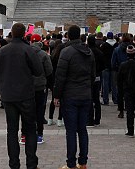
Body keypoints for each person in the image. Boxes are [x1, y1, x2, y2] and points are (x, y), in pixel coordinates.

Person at [0, 23, 42, 169]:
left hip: (9, 96)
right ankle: (31, 163)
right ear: (23, 34)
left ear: (12, 34)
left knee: (12, 131)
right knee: (30, 130)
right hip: (26, 94)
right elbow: (38, 71)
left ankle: (14, 164)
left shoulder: (3, 50)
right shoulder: (28, 49)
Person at [54, 26, 96, 169]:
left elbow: (60, 76)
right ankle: (83, 162)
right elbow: (92, 75)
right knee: (82, 129)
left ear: (69, 36)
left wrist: (56, 95)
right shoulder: (89, 52)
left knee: (71, 131)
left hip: (70, 95)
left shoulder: (66, 52)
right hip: (85, 95)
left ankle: (71, 164)